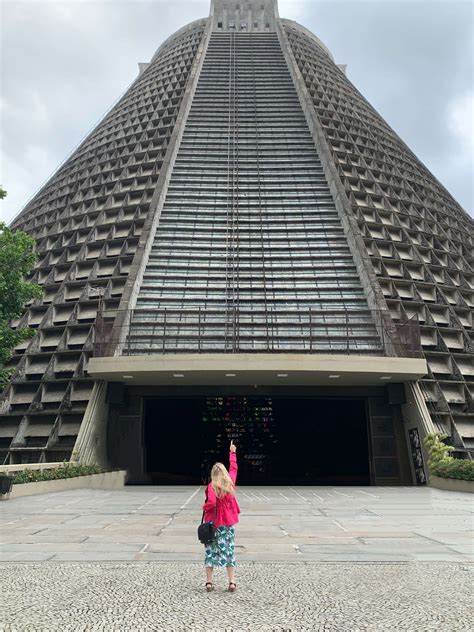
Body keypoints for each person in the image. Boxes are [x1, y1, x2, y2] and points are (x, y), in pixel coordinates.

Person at [202, 440, 241, 593]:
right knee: (229, 551)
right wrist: (232, 452)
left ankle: (209, 583)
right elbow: (234, 468)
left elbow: (211, 503)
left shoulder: (211, 486)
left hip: (214, 524)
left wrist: (204, 506)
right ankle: (231, 582)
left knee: (211, 551)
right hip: (228, 524)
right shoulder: (230, 483)